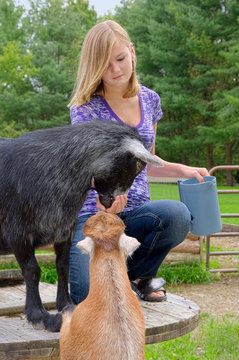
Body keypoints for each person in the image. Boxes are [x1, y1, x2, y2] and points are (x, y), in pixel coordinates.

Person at [68, 20, 209, 304]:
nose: (115, 70)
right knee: (86, 296)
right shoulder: (86, 107)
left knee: (177, 215)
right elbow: (85, 168)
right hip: (94, 218)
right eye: (105, 65)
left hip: (136, 214)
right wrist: (107, 196)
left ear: (132, 52)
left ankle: (137, 276)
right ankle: (117, 279)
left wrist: (182, 169)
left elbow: (147, 160)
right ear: (94, 66)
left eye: (120, 59)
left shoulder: (150, 100)